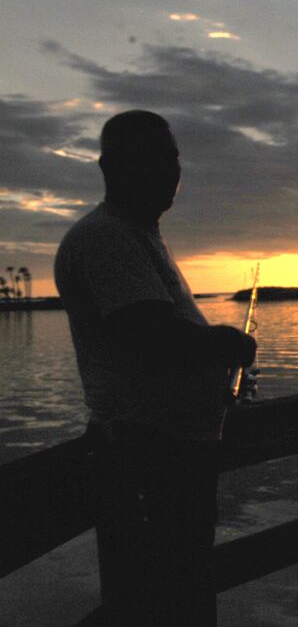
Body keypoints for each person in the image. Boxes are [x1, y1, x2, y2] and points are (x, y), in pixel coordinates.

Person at [54, 110, 256, 625]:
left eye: (172, 158)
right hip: (145, 464)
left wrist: (217, 378)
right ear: (110, 166)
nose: (168, 169)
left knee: (185, 593)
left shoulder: (138, 235)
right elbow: (156, 339)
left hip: (173, 460)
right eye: (151, 156)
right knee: (158, 602)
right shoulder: (106, 238)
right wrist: (229, 342)